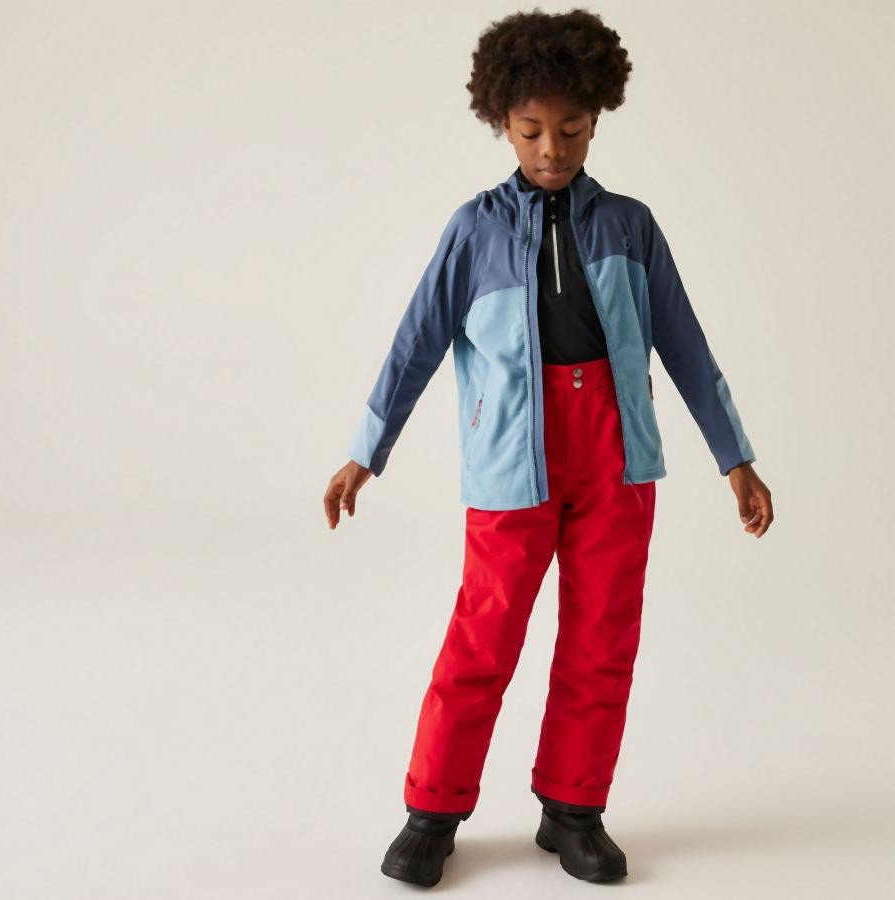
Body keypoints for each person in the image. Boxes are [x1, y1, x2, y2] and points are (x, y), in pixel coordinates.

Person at [324, 7, 773, 888]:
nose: (552, 148)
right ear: (502, 121)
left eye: (571, 129)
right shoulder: (474, 229)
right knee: (483, 635)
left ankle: (573, 809)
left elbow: (685, 344)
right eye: (531, 129)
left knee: (603, 636)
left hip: (617, 458)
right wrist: (366, 450)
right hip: (510, 461)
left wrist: (735, 457)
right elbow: (416, 344)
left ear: (597, 119)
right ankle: (433, 811)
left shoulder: (632, 226)